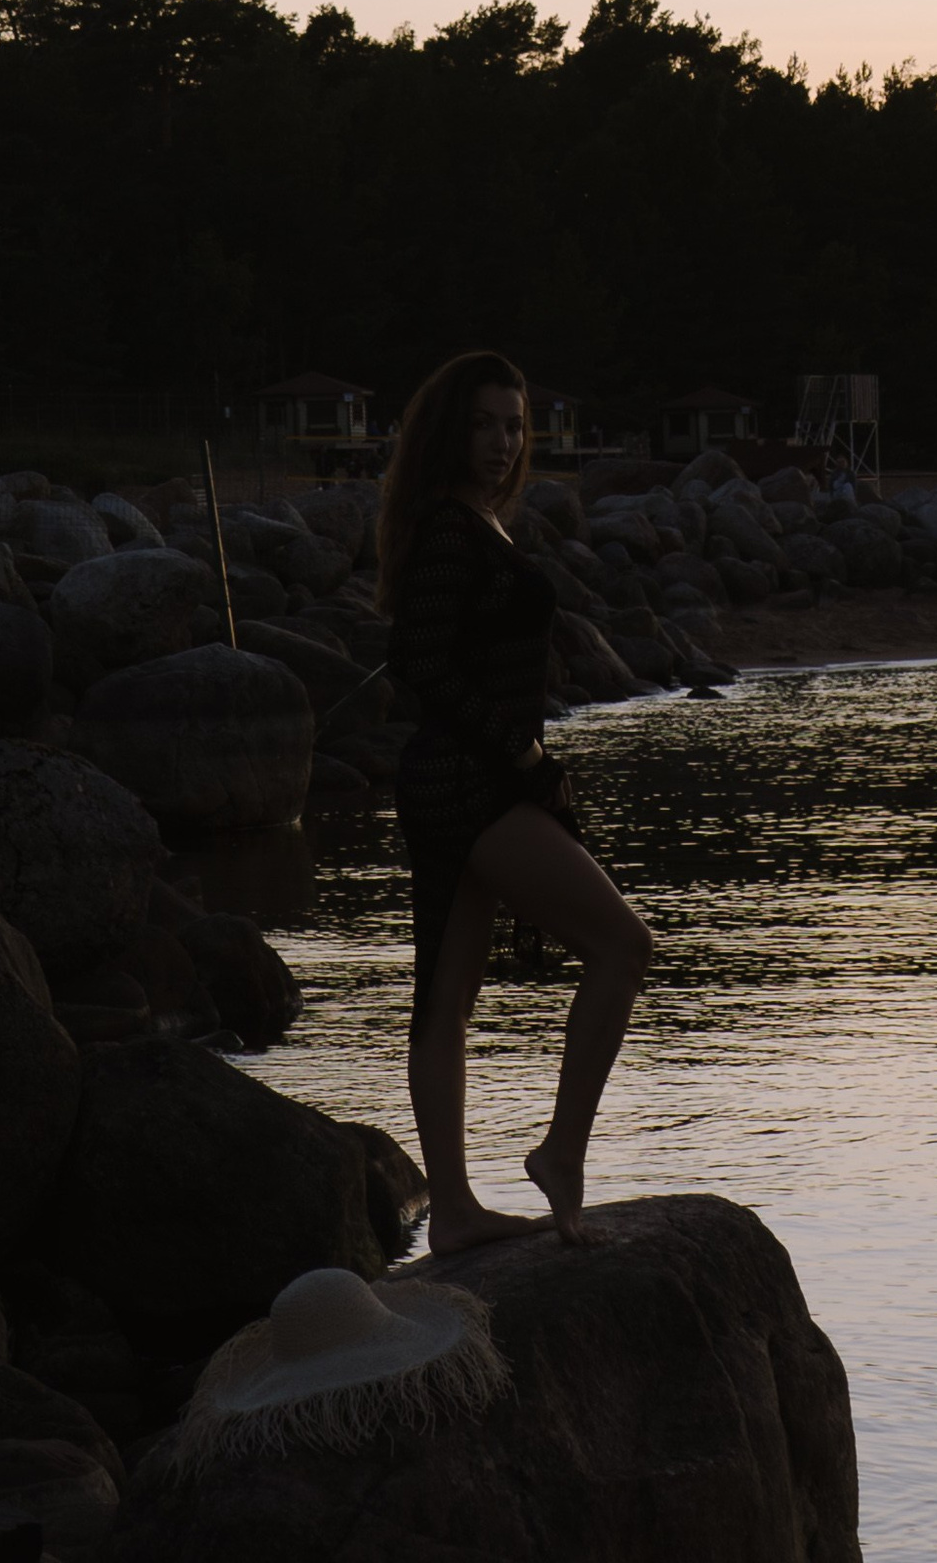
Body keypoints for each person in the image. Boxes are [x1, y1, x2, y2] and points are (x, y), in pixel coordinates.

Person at [381, 347, 654, 1254]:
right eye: (483, 424)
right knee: (622, 944)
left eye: (514, 426)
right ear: (449, 432)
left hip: (472, 779)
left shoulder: (477, 527)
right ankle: (560, 1155)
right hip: (466, 782)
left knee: (448, 997)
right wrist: (523, 755)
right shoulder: (447, 532)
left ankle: (456, 1212)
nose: (502, 442)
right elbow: (421, 664)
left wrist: (524, 757)